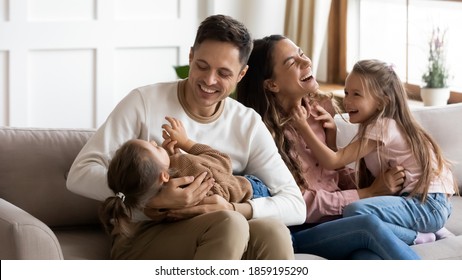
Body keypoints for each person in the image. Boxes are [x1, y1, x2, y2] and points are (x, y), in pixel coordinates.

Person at [67, 14, 304, 260]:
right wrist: (153, 199)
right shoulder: (143, 102)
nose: (209, 80)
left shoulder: (247, 123)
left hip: (218, 226)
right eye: (202, 66)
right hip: (143, 233)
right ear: (190, 57)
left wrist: (233, 207)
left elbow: (295, 205)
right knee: (229, 224)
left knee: (272, 230)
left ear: (241, 74)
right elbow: (80, 174)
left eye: (224, 73)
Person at [236, 35, 421, 260]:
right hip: (302, 228)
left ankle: (415, 236)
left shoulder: (319, 113)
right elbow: (297, 202)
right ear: (272, 84)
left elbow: (332, 175)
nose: (306, 62)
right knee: (366, 225)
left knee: (367, 258)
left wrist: (378, 183)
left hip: (340, 223)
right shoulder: (262, 134)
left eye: (302, 53)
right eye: (292, 62)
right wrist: (367, 193)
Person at [290, 58, 458, 245]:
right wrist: (332, 135)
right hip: (427, 204)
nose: (347, 101)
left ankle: (418, 236)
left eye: (356, 94)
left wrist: (303, 126)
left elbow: (334, 160)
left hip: (426, 204)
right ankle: (430, 230)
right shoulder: (381, 126)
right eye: (346, 92)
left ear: (381, 102)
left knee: (354, 211)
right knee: (359, 214)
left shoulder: (382, 126)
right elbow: (336, 163)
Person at [99, 115, 272, 237]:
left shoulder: (158, 209)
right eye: (156, 148)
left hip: (233, 209)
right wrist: (186, 144)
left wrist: (171, 156)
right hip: (251, 190)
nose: (153, 141)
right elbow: (223, 162)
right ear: (164, 176)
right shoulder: (187, 164)